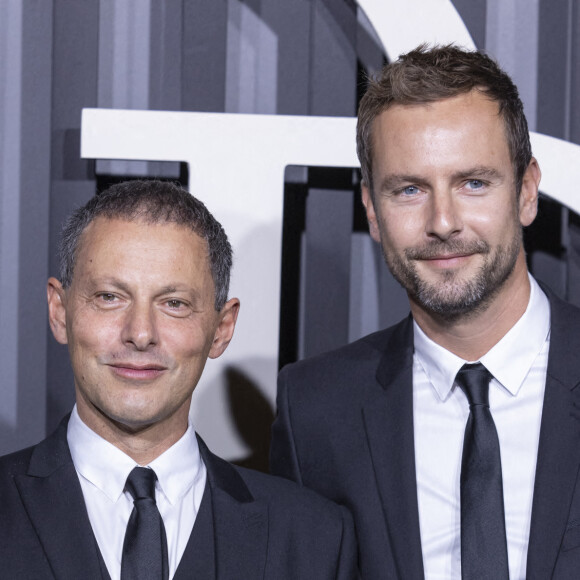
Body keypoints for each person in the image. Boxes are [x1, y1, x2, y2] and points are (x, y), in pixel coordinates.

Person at [270, 44, 580, 579]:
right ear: (371, 208)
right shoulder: (316, 411)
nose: (443, 221)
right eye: (410, 189)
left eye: (473, 183)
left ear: (527, 192)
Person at [0, 180, 357, 579]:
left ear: (221, 328)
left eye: (174, 304)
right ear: (60, 311)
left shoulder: (313, 540)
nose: (140, 333)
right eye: (109, 297)